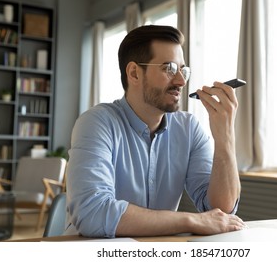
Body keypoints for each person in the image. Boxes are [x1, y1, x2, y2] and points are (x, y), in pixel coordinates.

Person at [65, 25, 245, 238]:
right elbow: (93, 214)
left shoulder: (189, 128)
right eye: (169, 68)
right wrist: (192, 220)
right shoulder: (96, 123)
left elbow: (220, 211)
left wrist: (225, 138)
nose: (181, 81)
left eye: (183, 70)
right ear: (134, 73)